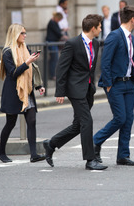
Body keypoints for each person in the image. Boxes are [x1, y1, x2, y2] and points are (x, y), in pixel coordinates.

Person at [43, 14, 107, 170]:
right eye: (99, 27)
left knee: (78, 125)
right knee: (87, 121)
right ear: (93, 28)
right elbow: (61, 68)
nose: (100, 29)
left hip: (88, 89)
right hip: (75, 90)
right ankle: (90, 160)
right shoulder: (72, 43)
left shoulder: (96, 44)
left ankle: (51, 144)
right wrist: (60, 91)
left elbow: (90, 69)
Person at [93, 5, 134, 166]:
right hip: (115, 85)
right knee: (120, 118)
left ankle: (123, 155)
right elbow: (105, 62)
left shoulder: (131, 37)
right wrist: (108, 85)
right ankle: (95, 142)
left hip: (129, 84)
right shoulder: (114, 36)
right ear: (132, 19)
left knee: (128, 119)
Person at [0, 24, 46, 163]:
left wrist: (39, 86)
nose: (25, 35)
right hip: (13, 91)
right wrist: (27, 62)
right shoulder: (7, 52)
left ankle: (34, 154)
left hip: (27, 90)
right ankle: (1, 153)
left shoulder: (25, 48)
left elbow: (31, 70)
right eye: (22, 33)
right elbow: (13, 73)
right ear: (15, 35)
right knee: (10, 123)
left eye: (25, 33)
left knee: (32, 120)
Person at [46, 12, 68, 80]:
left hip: (53, 42)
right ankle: (52, 75)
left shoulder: (54, 22)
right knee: (54, 59)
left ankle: (53, 74)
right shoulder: (52, 23)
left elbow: (58, 31)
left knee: (54, 59)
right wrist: (64, 36)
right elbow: (57, 32)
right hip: (51, 42)